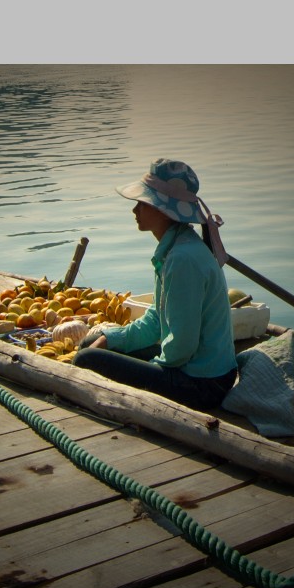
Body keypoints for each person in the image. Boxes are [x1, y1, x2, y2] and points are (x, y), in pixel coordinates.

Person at [72, 158, 237, 411]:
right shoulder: (174, 248)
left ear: (162, 210)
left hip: (203, 384)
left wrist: (152, 365)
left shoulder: (182, 258)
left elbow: (182, 346)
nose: (135, 210)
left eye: (142, 203)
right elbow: (156, 321)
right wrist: (110, 338)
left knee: (87, 359)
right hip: (191, 368)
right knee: (92, 346)